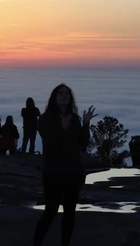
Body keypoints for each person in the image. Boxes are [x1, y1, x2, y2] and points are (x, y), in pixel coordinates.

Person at [33, 83, 97, 246]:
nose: (64, 96)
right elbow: (50, 142)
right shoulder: (45, 119)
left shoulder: (74, 118)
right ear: (54, 97)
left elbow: (82, 145)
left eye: (67, 94)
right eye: (60, 93)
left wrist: (86, 124)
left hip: (73, 171)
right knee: (50, 211)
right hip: (53, 171)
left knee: (70, 213)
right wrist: (62, 128)